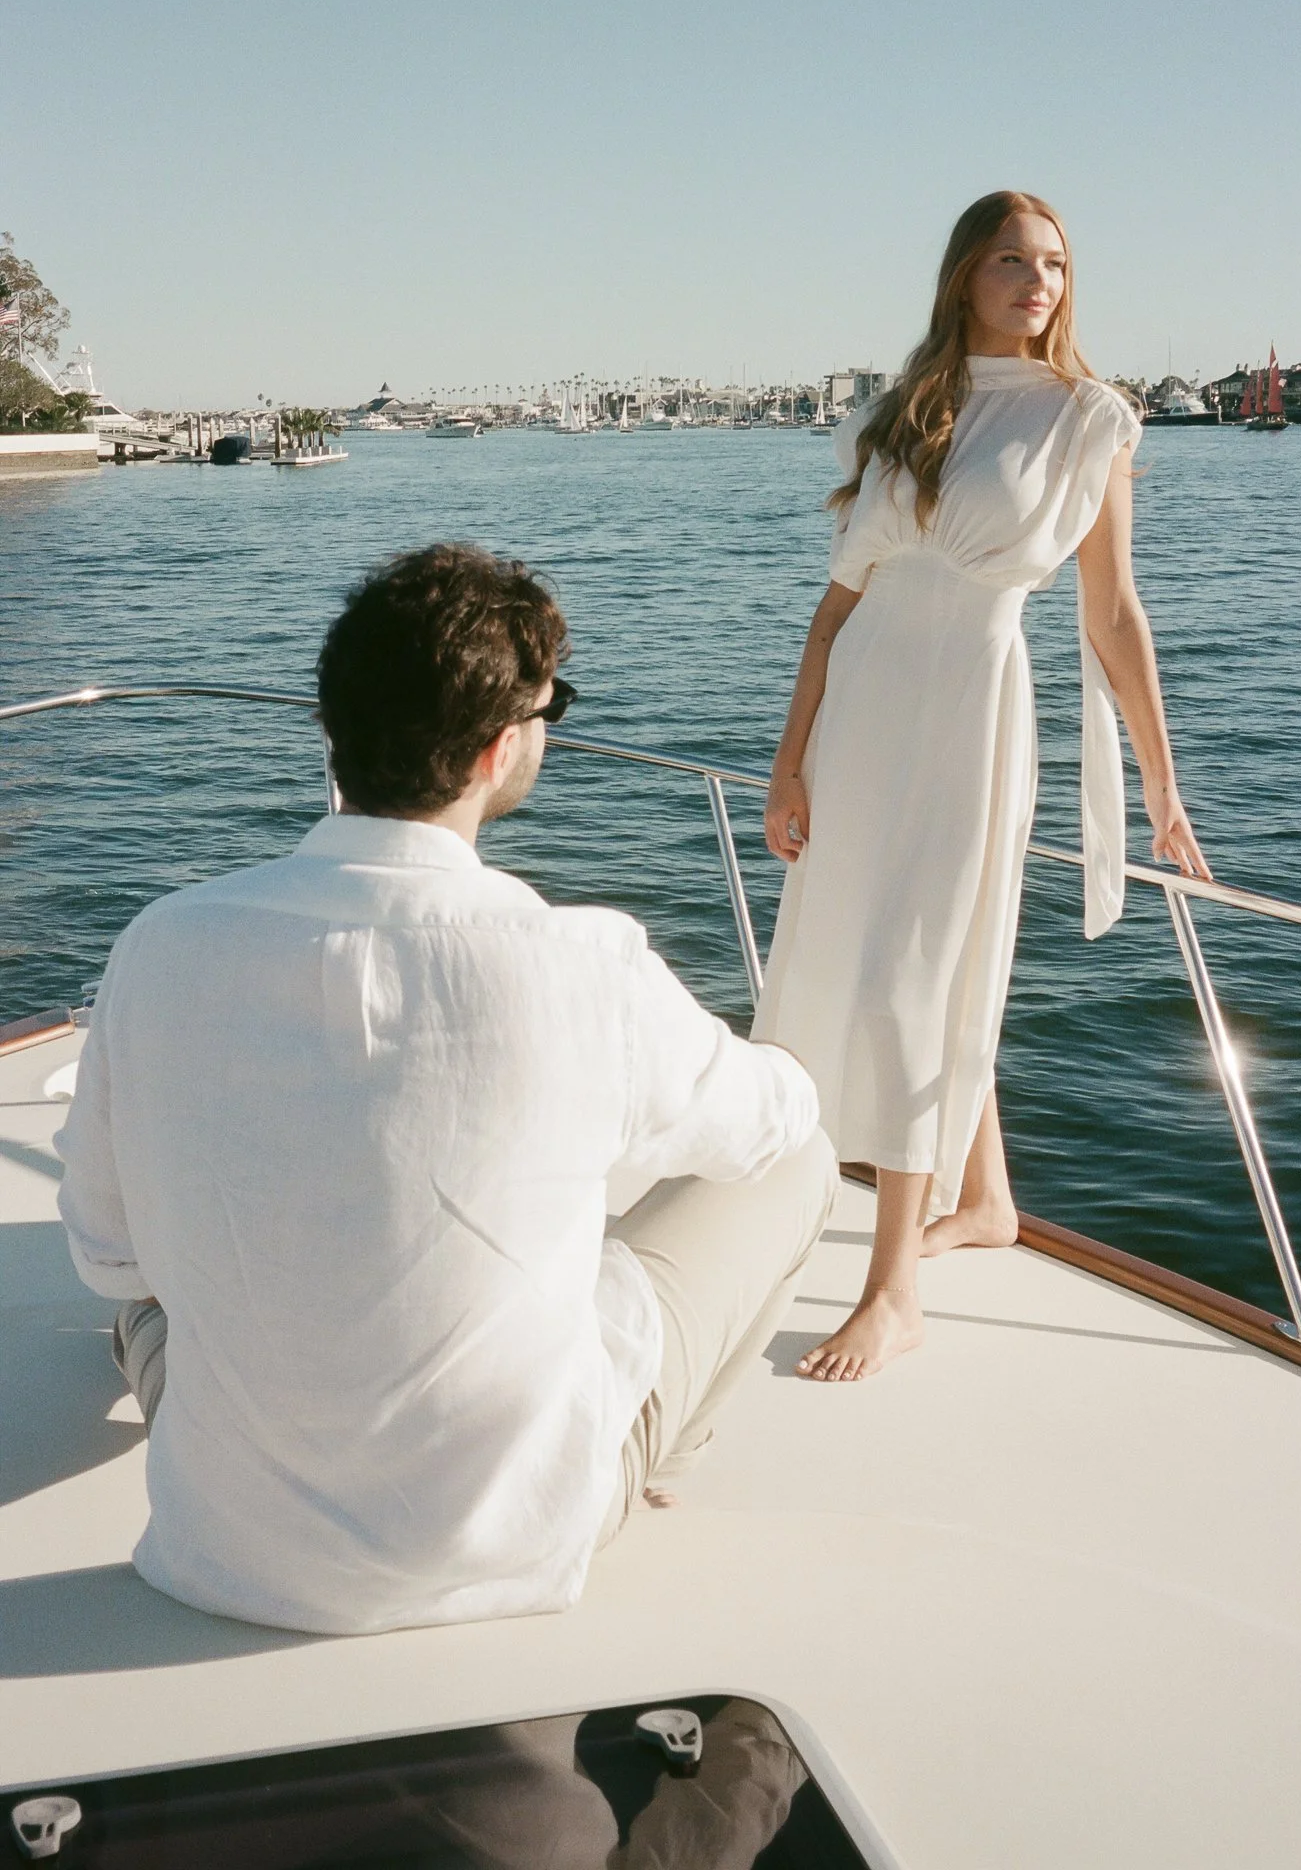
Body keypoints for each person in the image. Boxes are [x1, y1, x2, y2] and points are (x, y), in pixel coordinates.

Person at [56, 543, 836, 1633]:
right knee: (798, 1153)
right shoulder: (582, 964)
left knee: (149, 1283)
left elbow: (107, 1250)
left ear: (336, 729)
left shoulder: (162, 946)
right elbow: (770, 1127)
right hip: (515, 1545)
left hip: (220, 1546)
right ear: (495, 747)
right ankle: (661, 1449)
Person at [753, 190, 1211, 1384]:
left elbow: (1110, 612)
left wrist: (1163, 786)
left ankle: (892, 1289)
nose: (1037, 280)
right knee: (883, 952)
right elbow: (835, 605)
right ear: (964, 273)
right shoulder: (899, 410)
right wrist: (787, 759)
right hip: (860, 716)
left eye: (1054, 263)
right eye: (1012, 258)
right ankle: (987, 1198)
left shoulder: (1088, 419)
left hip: (968, 713)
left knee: (916, 961)